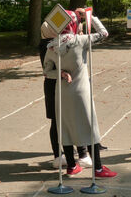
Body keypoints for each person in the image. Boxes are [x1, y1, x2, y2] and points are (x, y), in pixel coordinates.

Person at [43, 8, 117, 178]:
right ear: (73, 24)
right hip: (81, 91)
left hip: (61, 92)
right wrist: (91, 17)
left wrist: (60, 73)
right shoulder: (79, 40)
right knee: (90, 127)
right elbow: (104, 33)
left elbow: (47, 72)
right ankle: (98, 168)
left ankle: (71, 166)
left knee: (66, 127)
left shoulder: (52, 47)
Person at [39, 12, 92, 168]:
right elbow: (47, 69)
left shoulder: (69, 41)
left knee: (74, 118)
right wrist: (61, 73)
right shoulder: (49, 45)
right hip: (54, 86)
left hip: (70, 85)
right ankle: (59, 156)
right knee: (57, 120)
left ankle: (81, 154)